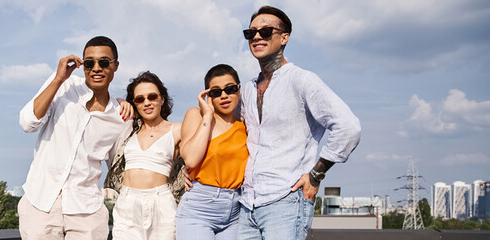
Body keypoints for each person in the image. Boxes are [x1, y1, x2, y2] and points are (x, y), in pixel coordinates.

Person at [236, 6, 362, 240]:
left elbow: (348, 127)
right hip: (247, 205)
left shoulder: (302, 80)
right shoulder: (247, 89)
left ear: (284, 37)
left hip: (285, 200)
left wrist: (316, 174)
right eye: (250, 32)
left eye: (265, 31)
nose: (256, 37)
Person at [17, 36, 133, 240]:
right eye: (89, 63)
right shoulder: (64, 86)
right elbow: (28, 123)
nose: (96, 68)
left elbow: (119, 168)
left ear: (115, 66)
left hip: (86, 210)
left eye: (104, 62)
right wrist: (58, 79)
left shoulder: (121, 116)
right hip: (40, 202)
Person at [104, 71, 182, 240]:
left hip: (161, 203)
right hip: (127, 203)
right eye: (139, 99)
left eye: (152, 97)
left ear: (162, 98)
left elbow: (195, 155)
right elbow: (108, 106)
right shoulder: (129, 129)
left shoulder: (177, 129)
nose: (147, 102)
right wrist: (121, 102)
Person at [176, 64, 248, 239]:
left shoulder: (245, 125)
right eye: (216, 92)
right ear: (208, 96)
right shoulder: (197, 115)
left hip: (236, 210)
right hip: (199, 207)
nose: (224, 95)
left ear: (239, 90)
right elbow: (191, 160)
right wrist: (208, 116)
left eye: (230, 89)